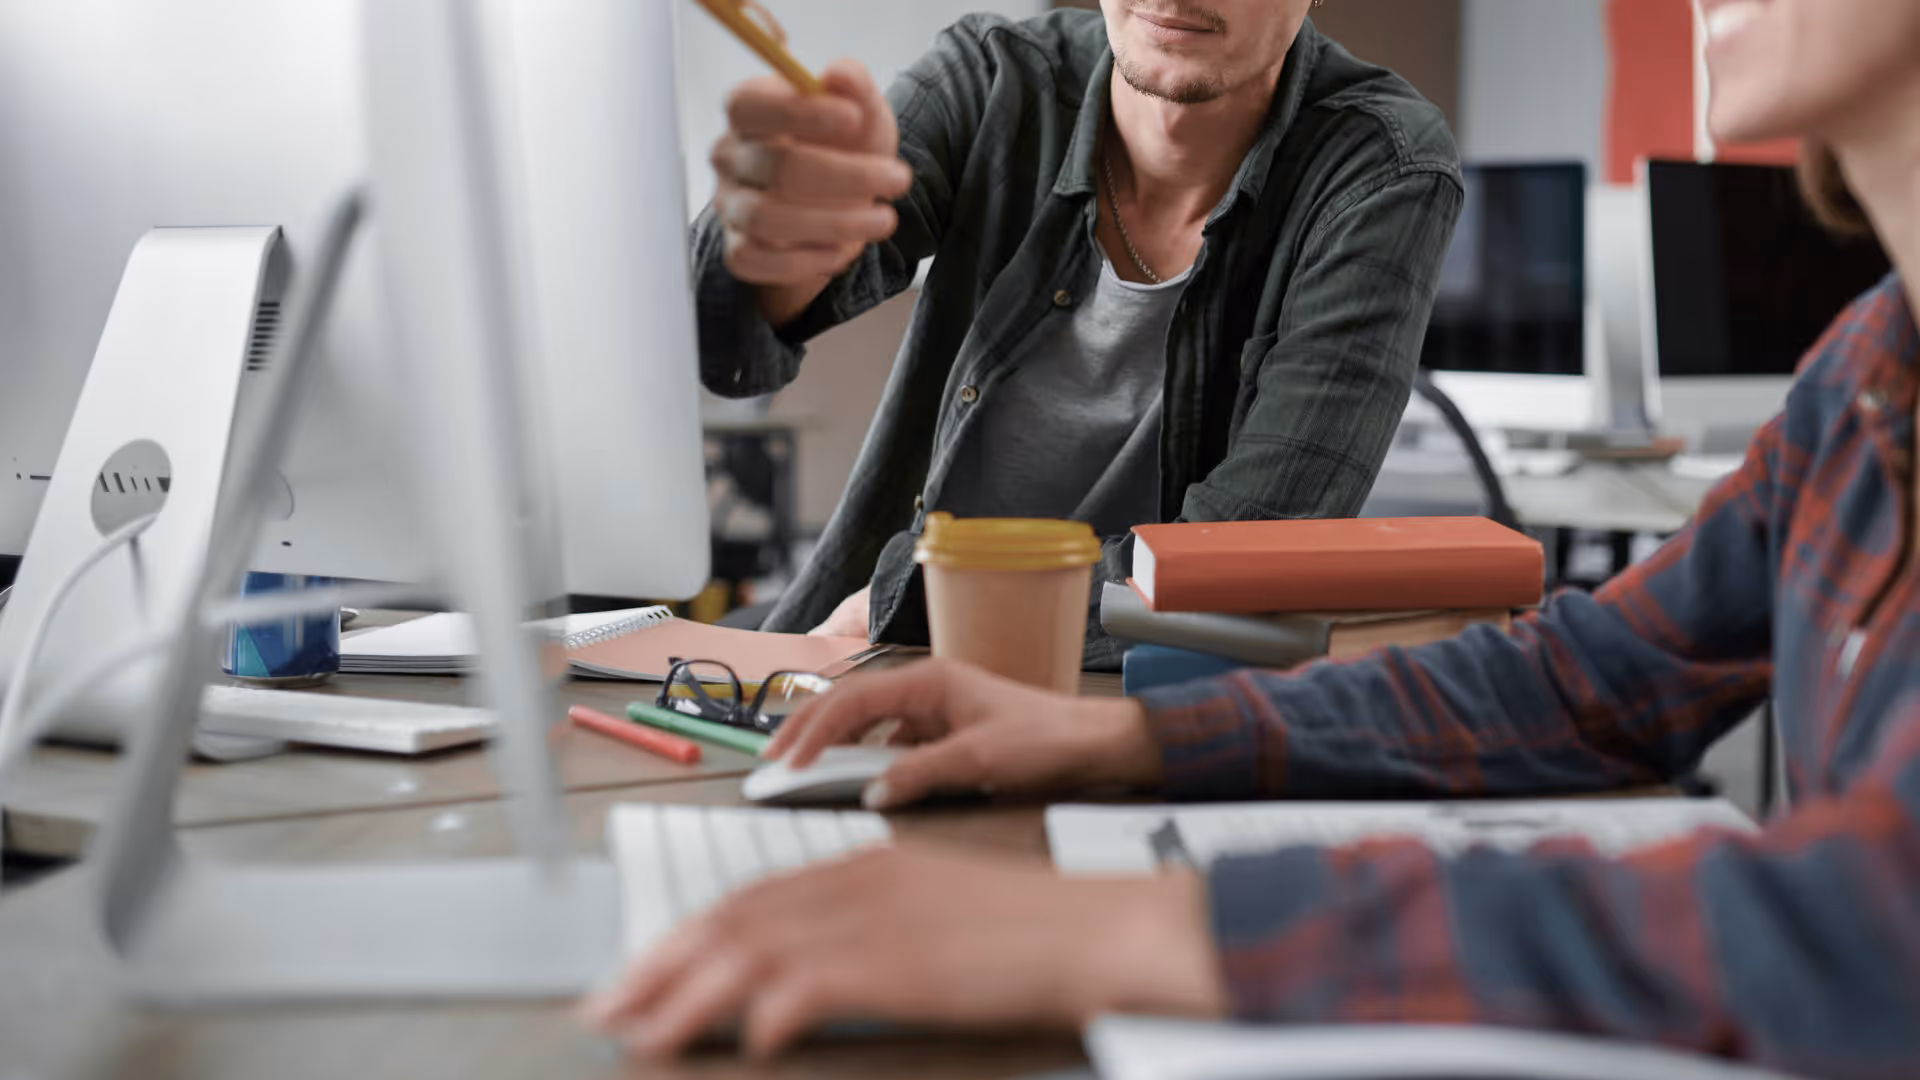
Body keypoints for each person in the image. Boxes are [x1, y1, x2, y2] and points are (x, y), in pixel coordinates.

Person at [581, 0, 1920, 1072]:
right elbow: (1584, 684)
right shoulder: (1866, 376)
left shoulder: (1374, 160)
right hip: (907, 681)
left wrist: (1144, 928)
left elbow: (1876, 931)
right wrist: (1127, 737)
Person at [694, 1, 1461, 667]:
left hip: (1127, 700)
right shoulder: (995, 77)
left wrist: (913, 602)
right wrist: (771, 254)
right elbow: (717, 337)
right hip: (865, 649)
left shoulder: (1384, 169)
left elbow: (1248, 561)